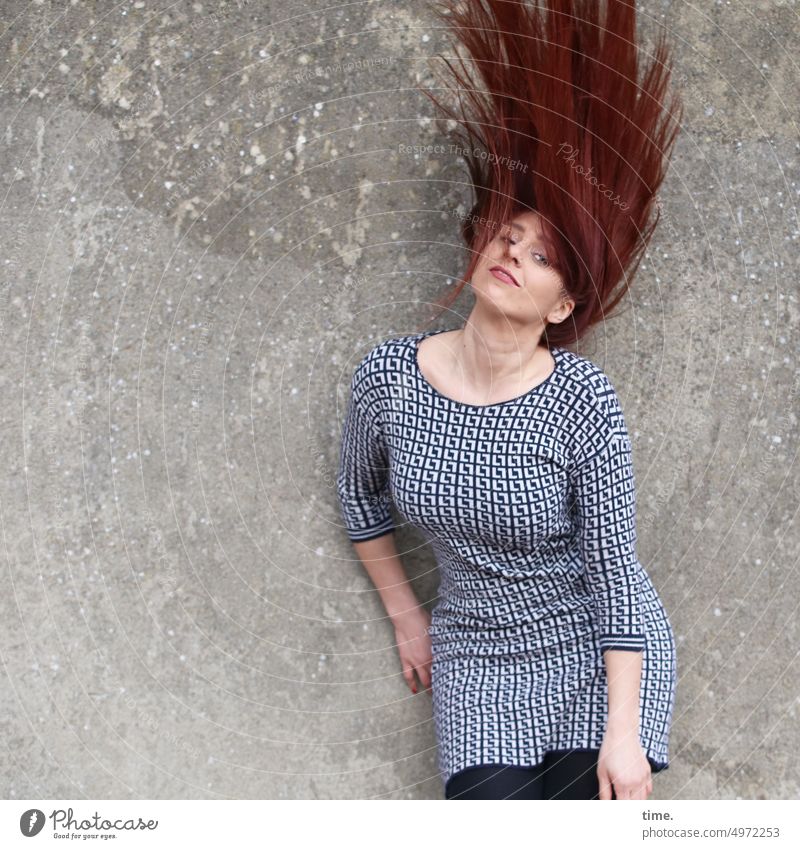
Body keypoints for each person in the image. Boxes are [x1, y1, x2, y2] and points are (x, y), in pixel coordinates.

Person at [336, 0, 681, 800]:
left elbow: (615, 569)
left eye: (543, 255)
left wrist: (621, 735)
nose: (514, 255)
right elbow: (360, 496)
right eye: (508, 235)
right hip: (476, 659)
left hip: (596, 651)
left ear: (564, 307)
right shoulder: (388, 377)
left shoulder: (582, 398)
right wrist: (407, 617)